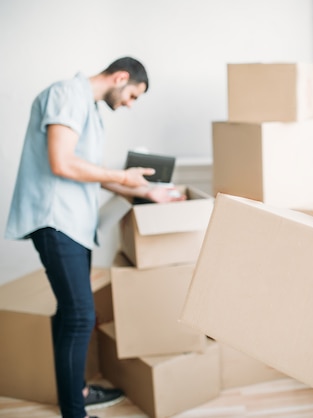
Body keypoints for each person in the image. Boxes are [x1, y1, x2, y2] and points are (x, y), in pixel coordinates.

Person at [5, 57, 185, 418]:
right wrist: (123, 177)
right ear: (121, 77)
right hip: (58, 223)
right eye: (133, 94)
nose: (130, 103)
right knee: (80, 315)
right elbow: (62, 162)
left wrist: (145, 190)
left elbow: (86, 170)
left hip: (73, 225)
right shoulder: (68, 93)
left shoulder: (86, 107)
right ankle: (75, 411)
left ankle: (77, 393)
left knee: (71, 313)